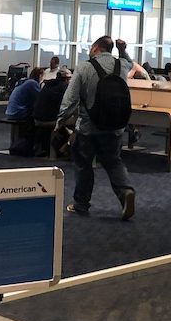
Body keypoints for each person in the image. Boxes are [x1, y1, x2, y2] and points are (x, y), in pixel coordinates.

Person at [57, 36, 136, 220]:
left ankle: (81, 204)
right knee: (113, 161)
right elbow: (130, 63)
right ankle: (126, 192)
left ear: (95, 49)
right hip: (115, 127)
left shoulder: (85, 67)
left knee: (83, 165)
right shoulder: (121, 66)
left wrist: (60, 120)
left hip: (88, 127)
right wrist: (122, 49)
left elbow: (71, 98)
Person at [32, 68, 72, 157]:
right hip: (50, 120)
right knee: (77, 124)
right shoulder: (65, 88)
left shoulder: (47, 85)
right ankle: (64, 148)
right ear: (67, 79)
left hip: (37, 118)